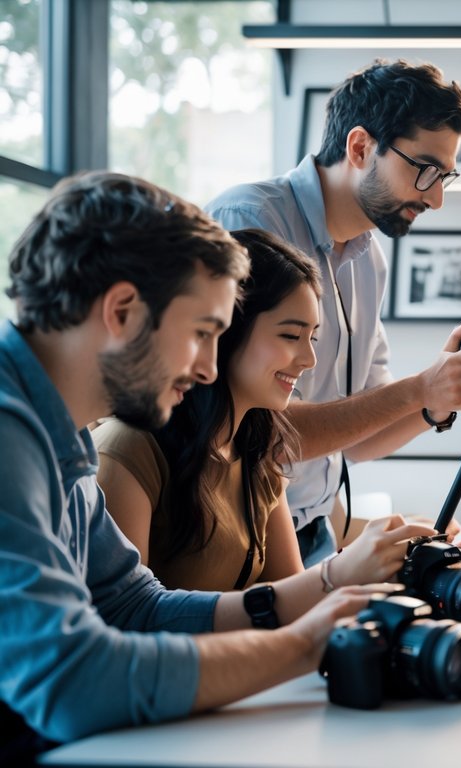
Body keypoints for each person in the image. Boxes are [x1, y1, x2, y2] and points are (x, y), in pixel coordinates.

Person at [0, 173, 384, 761]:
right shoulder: (10, 432)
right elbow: (69, 680)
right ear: (123, 310)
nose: (208, 368)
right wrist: (302, 647)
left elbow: (134, 606)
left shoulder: (62, 434)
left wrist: (324, 601)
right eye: (202, 333)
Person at [206, 59, 461, 566]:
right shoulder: (252, 222)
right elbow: (261, 430)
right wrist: (418, 390)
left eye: (445, 177)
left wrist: (446, 395)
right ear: (361, 147)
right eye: (425, 170)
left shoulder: (371, 260)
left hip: (316, 535)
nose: (435, 199)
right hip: (241, 540)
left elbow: (363, 440)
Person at [93, 229, 435, 596]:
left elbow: (290, 599)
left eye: (313, 338)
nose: (309, 360)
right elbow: (127, 621)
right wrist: (340, 573)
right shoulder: (128, 449)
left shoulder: (256, 455)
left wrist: (380, 567)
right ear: (227, 331)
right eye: (290, 336)